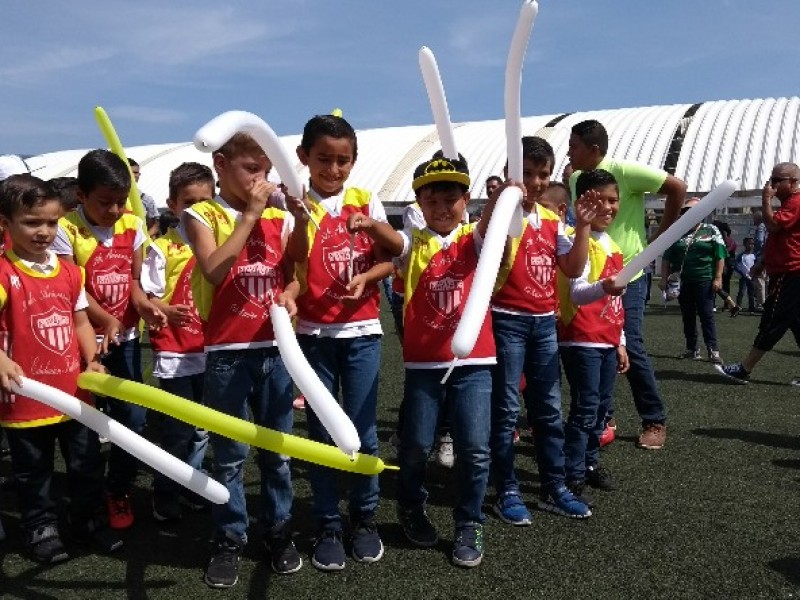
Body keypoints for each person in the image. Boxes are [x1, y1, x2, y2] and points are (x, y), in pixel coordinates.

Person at [347, 156, 502, 568]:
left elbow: (493, 228)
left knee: (475, 448)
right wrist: (368, 224)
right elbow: (396, 246)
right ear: (417, 203)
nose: (441, 206)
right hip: (423, 366)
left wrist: (500, 201)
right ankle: (411, 506)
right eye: (430, 198)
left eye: (451, 198)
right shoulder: (415, 242)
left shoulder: (475, 239)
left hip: (475, 363)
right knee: (415, 445)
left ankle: (469, 522)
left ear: (466, 201)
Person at [184, 133, 300, 588]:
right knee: (230, 456)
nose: (262, 180)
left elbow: (294, 277)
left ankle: (279, 531)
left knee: (278, 454)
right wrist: (250, 215)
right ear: (220, 163)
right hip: (228, 353)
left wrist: (290, 295)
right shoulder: (203, 213)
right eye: (252, 168)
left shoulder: (280, 218)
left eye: (267, 171)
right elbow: (214, 269)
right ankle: (229, 537)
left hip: (275, 349)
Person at [284, 114, 391, 571]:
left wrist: (366, 274)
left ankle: (364, 519)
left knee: (364, 432)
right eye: (324, 159)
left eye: (343, 160)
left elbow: (392, 259)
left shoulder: (366, 201)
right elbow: (289, 266)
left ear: (354, 162)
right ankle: (328, 522)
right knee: (323, 435)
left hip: (363, 335)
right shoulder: (291, 206)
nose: (333, 169)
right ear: (303, 157)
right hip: (313, 337)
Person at [0, 174, 122, 563]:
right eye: (32, 222)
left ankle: (87, 522)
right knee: (33, 471)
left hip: (74, 393)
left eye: (51, 222)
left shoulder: (71, 272)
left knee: (86, 466)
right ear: (5, 224)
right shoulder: (4, 273)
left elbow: (82, 322)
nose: (43, 231)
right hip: (24, 397)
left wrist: (93, 360)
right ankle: (41, 528)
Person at [51, 149, 166, 529]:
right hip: (78, 341)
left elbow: (133, 282)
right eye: (105, 203)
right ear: (81, 196)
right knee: (82, 421)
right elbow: (74, 291)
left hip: (125, 340)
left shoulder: (133, 224)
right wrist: (107, 320)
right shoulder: (64, 230)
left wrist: (145, 307)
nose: (115, 210)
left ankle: (118, 489)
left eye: (120, 201)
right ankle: (83, 494)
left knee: (131, 417)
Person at [490, 136, 598, 526]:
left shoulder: (553, 222)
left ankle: (554, 486)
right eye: (528, 174)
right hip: (505, 319)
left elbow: (572, 268)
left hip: (544, 323)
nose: (536, 182)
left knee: (548, 410)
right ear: (510, 175)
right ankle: (507, 489)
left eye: (543, 174)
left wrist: (582, 226)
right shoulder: (501, 215)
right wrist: (501, 206)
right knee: (505, 411)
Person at [569, 119, 687, 450]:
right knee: (592, 347)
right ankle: (602, 418)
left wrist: (660, 237)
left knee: (629, 344)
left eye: (574, 146)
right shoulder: (575, 177)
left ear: (594, 150)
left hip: (629, 276)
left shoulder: (625, 170)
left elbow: (677, 187)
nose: (569, 152)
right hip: (591, 277)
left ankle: (654, 419)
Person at [141, 163, 213, 521]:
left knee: (203, 427)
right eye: (189, 202)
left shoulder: (221, 242)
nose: (198, 208)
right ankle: (165, 490)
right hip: (175, 350)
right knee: (176, 427)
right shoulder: (162, 250)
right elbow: (144, 296)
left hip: (211, 350)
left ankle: (191, 484)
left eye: (205, 200)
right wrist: (165, 310)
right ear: (173, 204)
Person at [558, 169, 628, 507]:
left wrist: (622, 341)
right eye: (599, 200)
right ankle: (572, 471)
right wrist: (605, 286)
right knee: (585, 409)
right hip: (581, 338)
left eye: (614, 200)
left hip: (606, 339)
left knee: (601, 410)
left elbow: (617, 301)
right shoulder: (575, 239)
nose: (608, 207)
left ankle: (589, 463)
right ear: (582, 202)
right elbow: (578, 293)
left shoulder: (613, 245)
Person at [716, 163, 800, 384]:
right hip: (787, 271)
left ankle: (744, 369)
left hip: (790, 273)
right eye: (771, 179)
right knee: (796, 323)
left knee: (772, 320)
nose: (771, 184)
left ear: (792, 183)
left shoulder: (796, 202)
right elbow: (779, 239)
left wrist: (765, 199)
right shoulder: (788, 204)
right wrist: (762, 261)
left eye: (777, 180)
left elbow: (772, 227)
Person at [660, 200, 726, 363]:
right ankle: (692, 348)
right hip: (683, 281)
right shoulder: (677, 231)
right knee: (687, 315)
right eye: (687, 210)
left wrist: (718, 277)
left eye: (694, 210)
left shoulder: (711, 230)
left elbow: (720, 255)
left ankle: (713, 349)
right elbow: (666, 258)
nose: (690, 213)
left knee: (706, 314)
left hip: (704, 279)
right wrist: (664, 278)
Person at [128, 158, 160, 237]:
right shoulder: (112, 197)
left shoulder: (146, 199)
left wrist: (142, 241)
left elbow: (155, 226)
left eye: (136, 172)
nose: (133, 175)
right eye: (130, 172)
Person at [713, 220, 740, 316]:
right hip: (727, 266)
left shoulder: (718, 239)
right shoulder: (727, 240)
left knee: (714, 286)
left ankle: (729, 305)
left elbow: (722, 255)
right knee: (721, 286)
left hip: (722, 266)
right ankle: (731, 305)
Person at [750, 207, 768, 310]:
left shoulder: (761, 227)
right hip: (766, 255)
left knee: (760, 280)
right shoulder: (766, 226)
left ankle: (761, 303)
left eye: (754, 218)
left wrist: (758, 252)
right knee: (766, 279)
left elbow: (760, 241)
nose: (753, 220)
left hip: (761, 255)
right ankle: (766, 301)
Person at [735, 237, 757, 313]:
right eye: (749, 243)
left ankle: (751, 308)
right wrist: (742, 273)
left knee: (751, 293)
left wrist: (755, 274)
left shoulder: (755, 255)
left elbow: (757, 265)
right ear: (745, 244)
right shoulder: (741, 255)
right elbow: (736, 265)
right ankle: (738, 306)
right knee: (741, 292)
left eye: (753, 244)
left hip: (752, 277)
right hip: (744, 277)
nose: (751, 245)